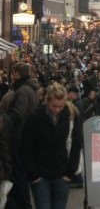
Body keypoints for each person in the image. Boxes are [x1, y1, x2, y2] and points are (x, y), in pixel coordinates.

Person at [22, 82, 82, 209]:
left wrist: (70, 171)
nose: (57, 110)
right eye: (54, 106)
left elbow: (76, 143)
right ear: (47, 101)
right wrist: (33, 173)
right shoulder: (35, 116)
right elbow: (27, 145)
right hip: (40, 175)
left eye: (60, 106)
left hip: (62, 173)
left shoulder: (71, 115)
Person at [6, 62, 39, 208]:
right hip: (24, 136)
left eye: (13, 73)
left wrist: (5, 122)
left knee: (18, 173)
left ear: (17, 74)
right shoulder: (29, 89)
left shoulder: (23, 91)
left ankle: (23, 204)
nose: (12, 76)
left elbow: (18, 114)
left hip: (19, 136)